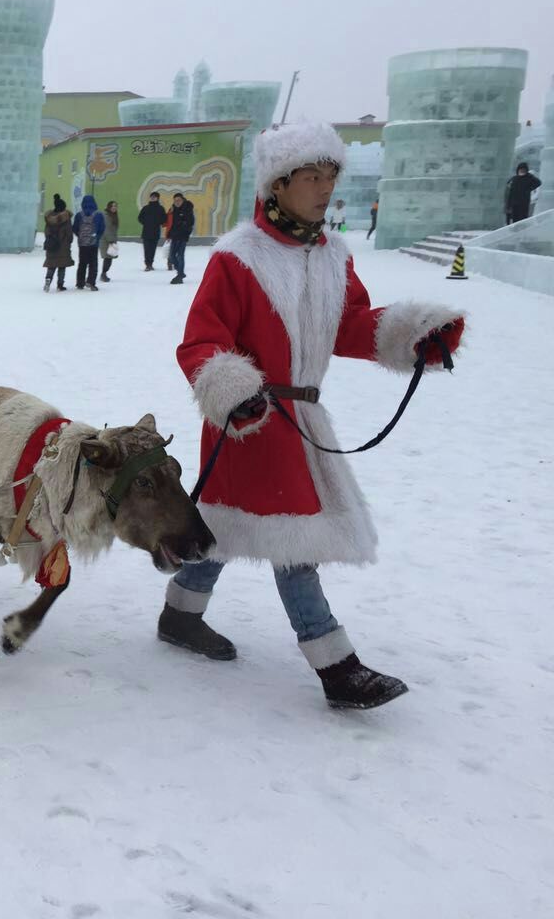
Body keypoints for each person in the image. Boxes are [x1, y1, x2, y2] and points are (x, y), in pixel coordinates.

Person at [160, 122, 465, 710]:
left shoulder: (333, 257)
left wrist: (412, 336)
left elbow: (350, 325)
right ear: (278, 184)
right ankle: (336, 667)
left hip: (299, 418)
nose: (325, 189)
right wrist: (232, 391)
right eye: (312, 177)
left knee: (226, 528)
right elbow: (201, 341)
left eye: (331, 176)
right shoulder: (237, 258)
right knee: (295, 541)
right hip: (247, 419)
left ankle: (179, 615)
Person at [72, 194, 105, 291]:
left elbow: (75, 228)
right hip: (93, 243)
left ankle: (80, 283)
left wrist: (81, 236)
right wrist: (96, 237)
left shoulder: (79, 215)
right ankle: (91, 282)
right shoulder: (98, 215)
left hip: (82, 244)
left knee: (82, 263)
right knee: (93, 263)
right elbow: (102, 228)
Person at [42, 194, 74, 292]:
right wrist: (69, 240)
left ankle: (48, 279)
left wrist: (50, 238)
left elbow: (46, 231)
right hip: (63, 246)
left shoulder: (49, 218)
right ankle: (60, 285)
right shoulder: (66, 218)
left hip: (52, 245)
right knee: (61, 266)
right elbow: (69, 232)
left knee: (51, 265)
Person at [166, 192, 195, 284]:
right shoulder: (173, 210)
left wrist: (184, 227)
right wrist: (169, 234)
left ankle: (180, 275)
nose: (177, 202)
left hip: (182, 236)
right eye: (175, 201)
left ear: (183, 200)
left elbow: (190, 222)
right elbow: (171, 223)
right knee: (171, 256)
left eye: (178, 200)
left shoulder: (187, 209)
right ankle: (181, 272)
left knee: (180, 256)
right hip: (174, 236)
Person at [137, 191, 168, 271]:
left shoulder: (160, 208)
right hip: (146, 231)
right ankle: (147, 264)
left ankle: (150, 263)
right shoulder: (146, 208)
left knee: (153, 249)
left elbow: (164, 218)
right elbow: (140, 218)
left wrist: (157, 222)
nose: (152, 198)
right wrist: (146, 222)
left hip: (155, 232)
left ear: (157, 198)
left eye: (154, 197)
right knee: (146, 249)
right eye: (151, 197)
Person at [99, 200, 120, 283]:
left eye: (115, 206)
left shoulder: (114, 215)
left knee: (109, 258)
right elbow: (107, 229)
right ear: (109, 207)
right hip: (106, 240)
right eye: (112, 206)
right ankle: (103, 274)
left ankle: (104, 273)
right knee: (107, 258)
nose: (114, 208)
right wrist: (111, 240)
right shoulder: (106, 216)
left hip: (111, 239)